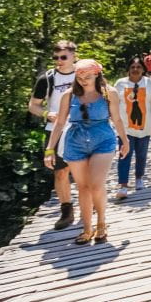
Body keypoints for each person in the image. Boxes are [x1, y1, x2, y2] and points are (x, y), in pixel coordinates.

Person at [44, 59, 130, 244]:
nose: (83, 80)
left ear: (97, 74)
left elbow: (117, 119)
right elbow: (59, 123)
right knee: (82, 186)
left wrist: (125, 140)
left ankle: (101, 222)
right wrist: (49, 150)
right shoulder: (69, 95)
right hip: (76, 142)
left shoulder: (109, 93)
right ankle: (87, 228)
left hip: (103, 140)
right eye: (79, 76)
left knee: (96, 184)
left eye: (87, 76)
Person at [28, 40, 78, 230]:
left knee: (85, 170)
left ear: (74, 56)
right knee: (60, 171)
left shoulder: (83, 74)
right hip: (55, 130)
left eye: (63, 57)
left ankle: (89, 203)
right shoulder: (47, 79)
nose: (59, 61)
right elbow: (33, 105)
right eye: (56, 57)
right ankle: (66, 210)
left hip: (82, 127)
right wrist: (46, 114)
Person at [114, 56, 151, 199]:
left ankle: (139, 178)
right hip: (125, 126)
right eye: (133, 67)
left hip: (146, 124)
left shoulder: (149, 83)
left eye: (138, 67)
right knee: (124, 154)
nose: (135, 70)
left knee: (141, 154)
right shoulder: (120, 83)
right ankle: (123, 186)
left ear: (143, 69)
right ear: (128, 69)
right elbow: (113, 102)